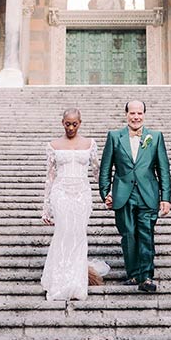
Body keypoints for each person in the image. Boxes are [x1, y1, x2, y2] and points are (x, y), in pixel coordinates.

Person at [99, 100, 171, 293]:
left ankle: (146, 277)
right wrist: (105, 192)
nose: (136, 117)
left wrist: (166, 198)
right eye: (132, 113)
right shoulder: (114, 137)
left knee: (146, 234)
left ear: (144, 115)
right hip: (123, 194)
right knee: (128, 235)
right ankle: (133, 274)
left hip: (148, 194)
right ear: (126, 115)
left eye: (139, 113)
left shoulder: (155, 137)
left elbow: (163, 169)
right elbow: (105, 168)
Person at [41, 108, 109, 301]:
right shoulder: (53, 144)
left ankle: (76, 282)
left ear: (80, 123)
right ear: (62, 122)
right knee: (63, 233)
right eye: (67, 123)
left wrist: (107, 193)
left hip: (81, 194)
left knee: (78, 235)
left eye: (74, 124)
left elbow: (97, 171)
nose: (71, 127)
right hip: (61, 193)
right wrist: (45, 207)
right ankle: (59, 281)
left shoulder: (90, 144)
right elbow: (50, 176)